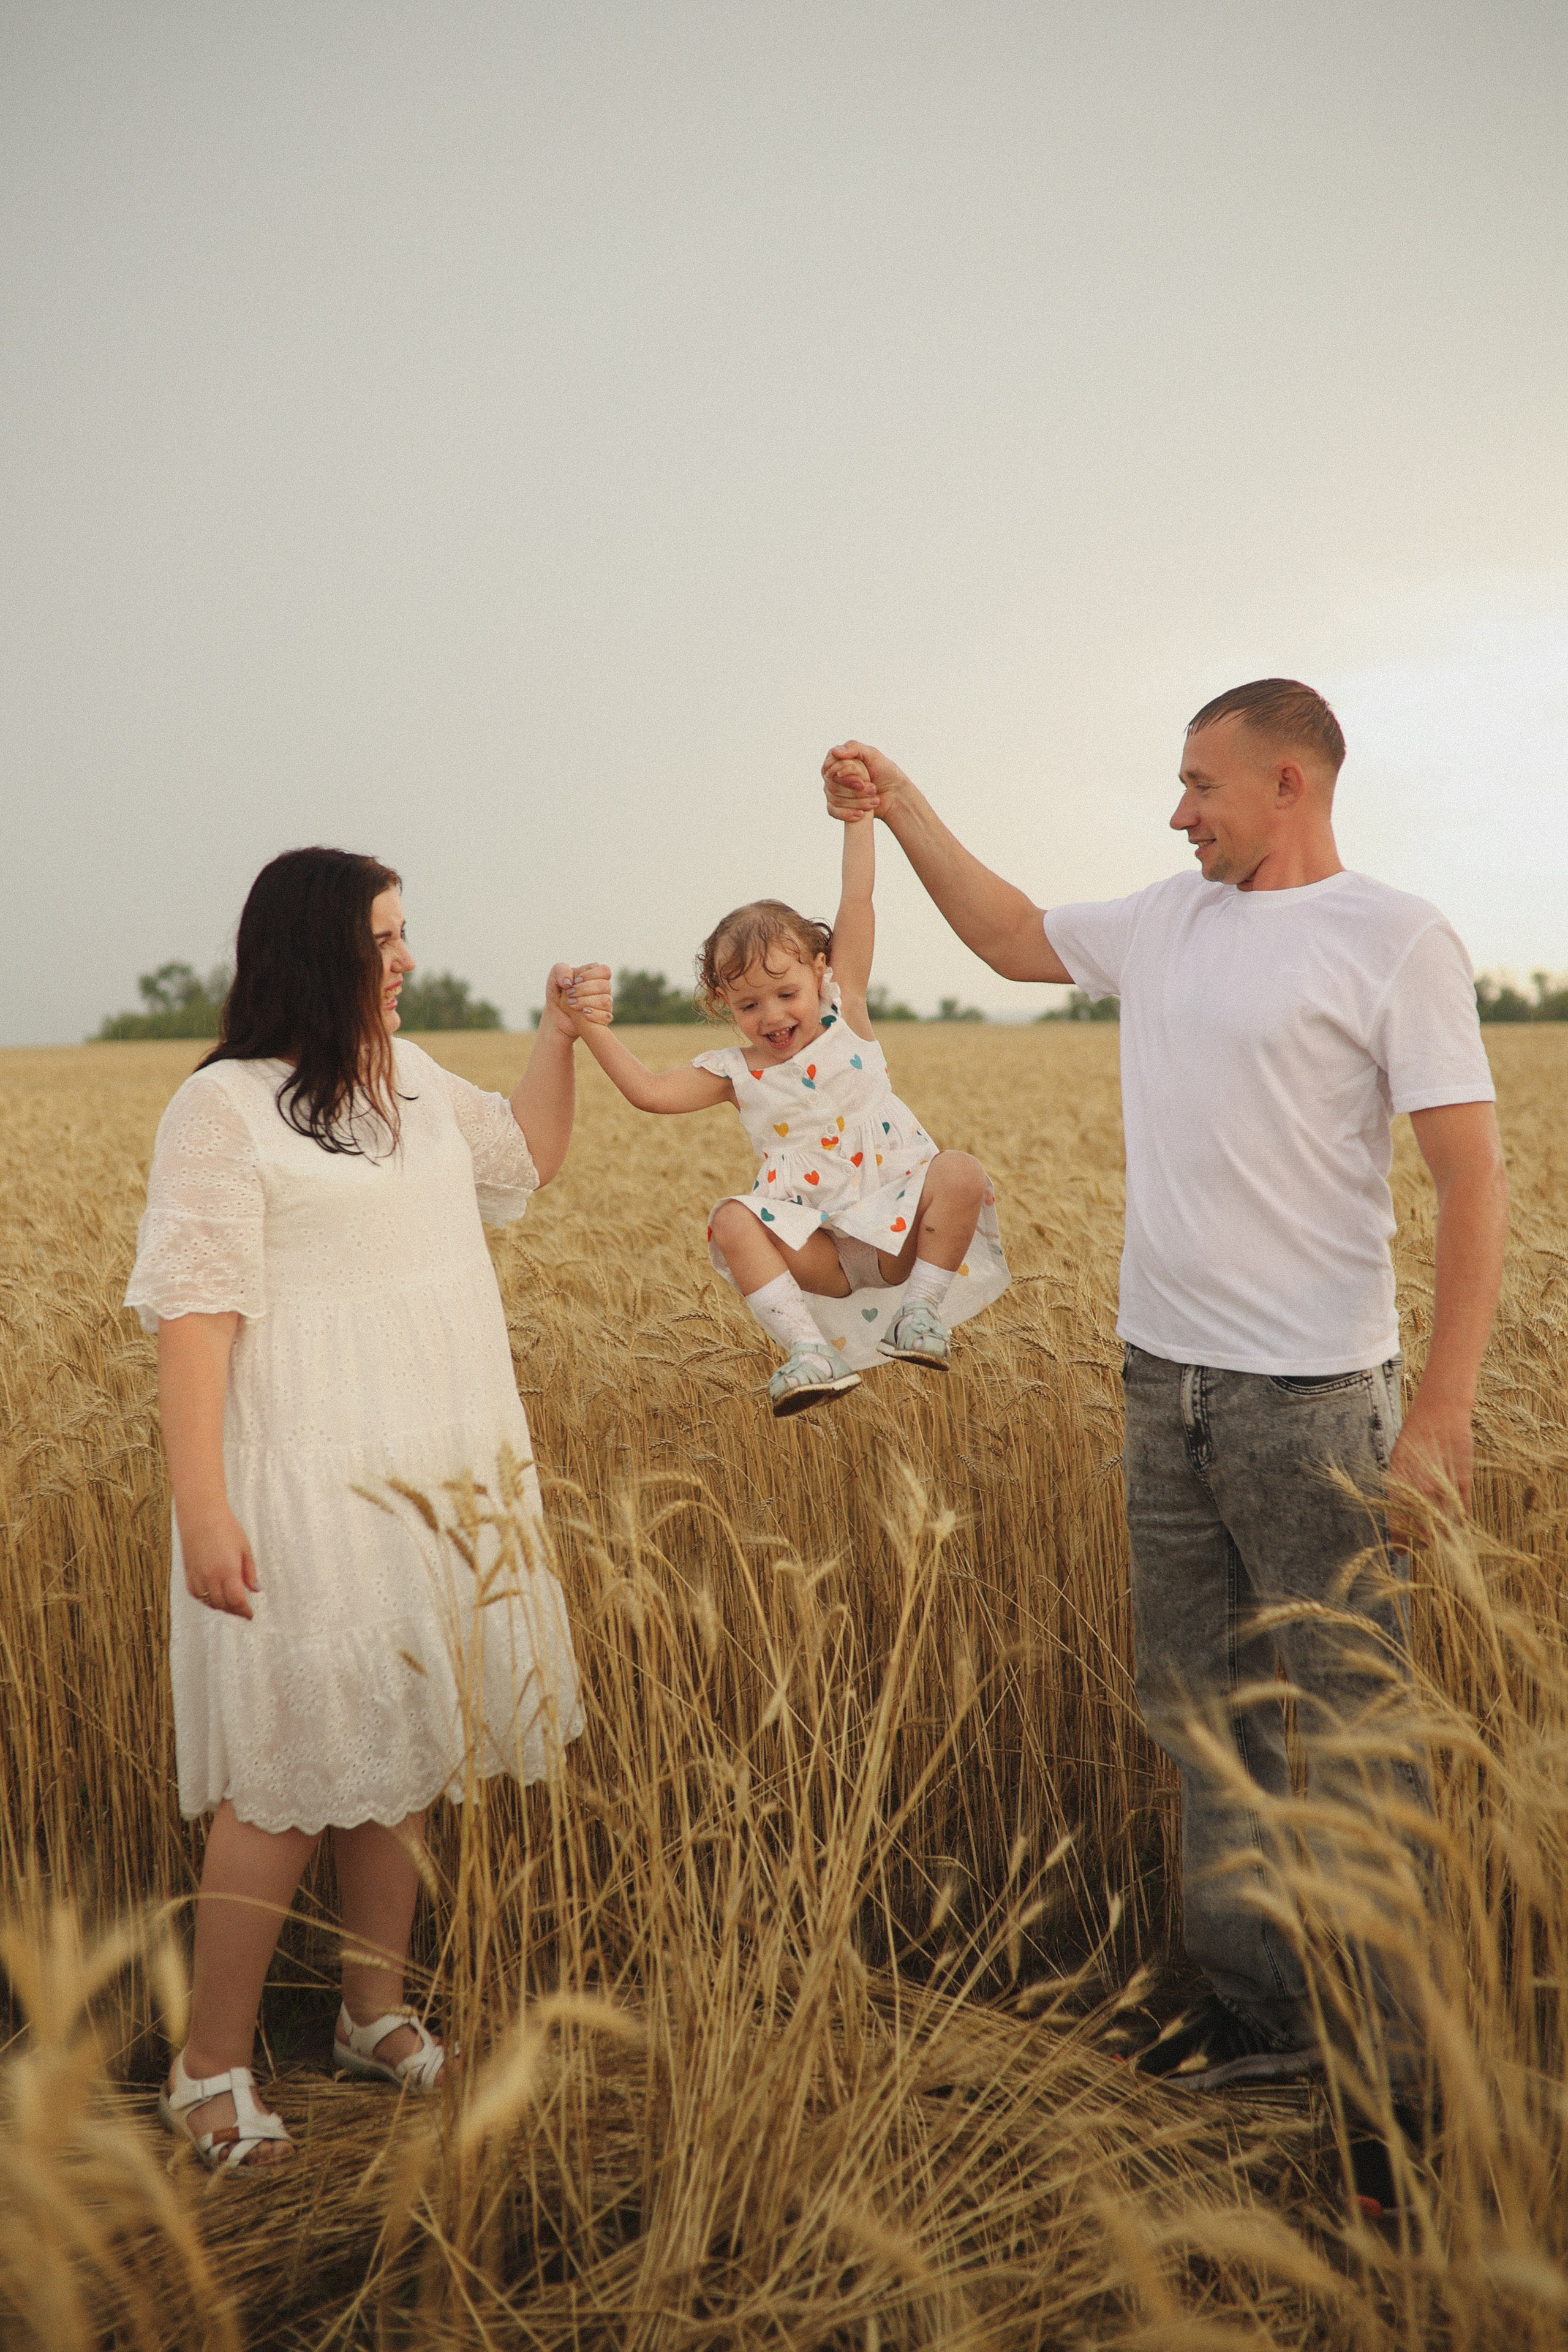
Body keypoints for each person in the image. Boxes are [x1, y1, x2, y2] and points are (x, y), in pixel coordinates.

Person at [822, 681, 1508, 2113]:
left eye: (1198, 784)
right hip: (1163, 1388)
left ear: (1285, 782)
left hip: (1316, 1405)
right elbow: (1009, 935)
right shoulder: (1165, 919)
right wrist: (899, 804)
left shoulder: (1392, 938)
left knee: (1353, 1733)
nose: (1176, 809)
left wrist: (1436, 1412)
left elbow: (1469, 1175)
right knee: (1203, 1719)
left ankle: (1394, 2082)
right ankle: (1257, 2025)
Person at [124, 846, 612, 2169]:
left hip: (437, 1460)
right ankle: (209, 2066)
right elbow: (194, 1314)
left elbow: (534, 1159)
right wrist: (203, 1509)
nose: (403, 958)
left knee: (403, 1744)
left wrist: (558, 1035)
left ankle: (370, 2012)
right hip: (300, 1471)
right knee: (285, 1770)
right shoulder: (223, 1110)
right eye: (381, 938)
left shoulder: (412, 1080)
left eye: (407, 934)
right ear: (313, 950)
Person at [564, 804, 1009, 1415]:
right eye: (748, 1005)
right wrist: (586, 1028)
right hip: (819, 1246)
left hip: (898, 1227)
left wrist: (859, 815)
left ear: (820, 971)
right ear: (723, 1003)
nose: (771, 1017)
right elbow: (649, 1091)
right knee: (729, 1218)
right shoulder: (735, 1071)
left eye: (786, 994)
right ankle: (809, 1353)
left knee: (960, 1170)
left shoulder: (845, 1011)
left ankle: (920, 1313)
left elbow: (859, 897)